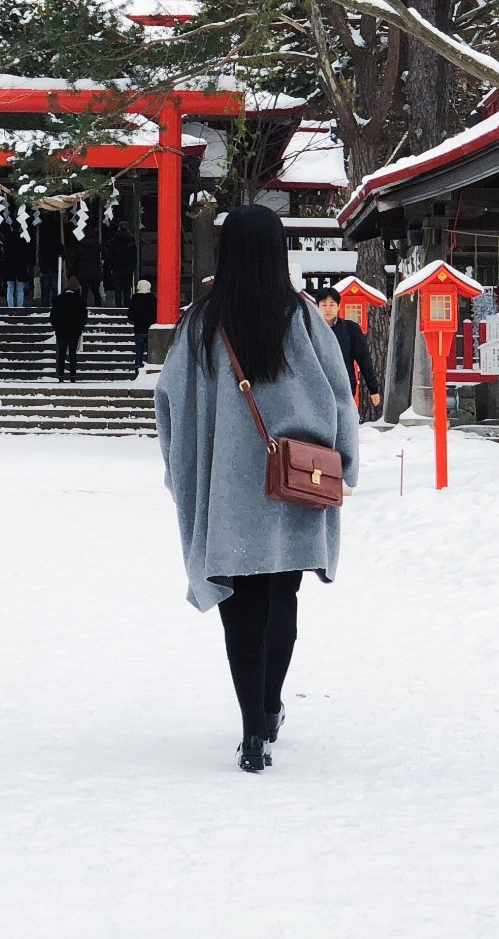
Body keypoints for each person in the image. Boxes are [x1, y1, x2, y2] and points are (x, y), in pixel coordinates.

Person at [154, 205, 359, 774]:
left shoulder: (199, 325)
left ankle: (251, 731)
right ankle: (269, 711)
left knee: (239, 610)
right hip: (294, 486)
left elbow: (169, 403)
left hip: (228, 496)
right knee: (281, 601)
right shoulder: (304, 319)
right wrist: (344, 462)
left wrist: (181, 471)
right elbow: (339, 395)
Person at [314, 289, 382, 415]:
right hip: (317, 387)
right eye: (323, 305)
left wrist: (373, 388)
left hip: (344, 386)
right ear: (317, 306)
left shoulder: (350, 329)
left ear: (339, 306)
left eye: (332, 304)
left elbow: (364, 359)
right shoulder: (310, 329)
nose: (328, 309)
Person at [50, 276, 88, 381]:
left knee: (61, 353)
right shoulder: (79, 301)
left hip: (61, 330)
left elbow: (53, 317)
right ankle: (72, 376)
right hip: (74, 331)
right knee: (72, 354)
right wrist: (79, 328)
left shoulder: (59, 300)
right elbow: (83, 317)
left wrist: (57, 328)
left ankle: (61, 376)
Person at [129, 277, 158, 372]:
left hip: (139, 328)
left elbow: (131, 315)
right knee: (151, 350)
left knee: (139, 349)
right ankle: (151, 366)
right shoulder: (152, 298)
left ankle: (138, 365)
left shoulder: (135, 298)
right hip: (151, 328)